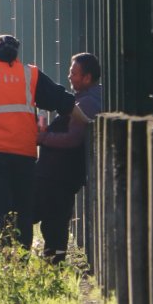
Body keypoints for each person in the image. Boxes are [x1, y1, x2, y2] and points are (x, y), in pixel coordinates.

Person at [0, 34, 87, 250]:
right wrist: (88, 122)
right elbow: (64, 101)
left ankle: (6, 260)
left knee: (0, 210)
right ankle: (21, 259)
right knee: (22, 209)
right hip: (23, 154)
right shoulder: (30, 74)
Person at [34, 52, 103, 262]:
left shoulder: (87, 103)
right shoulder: (87, 98)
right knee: (55, 216)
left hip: (60, 174)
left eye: (74, 73)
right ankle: (54, 256)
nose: (69, 76)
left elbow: (73, 138)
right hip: (60, 173)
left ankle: (54, 257)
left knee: (52, 216)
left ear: (87, 78)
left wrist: (43, 137)